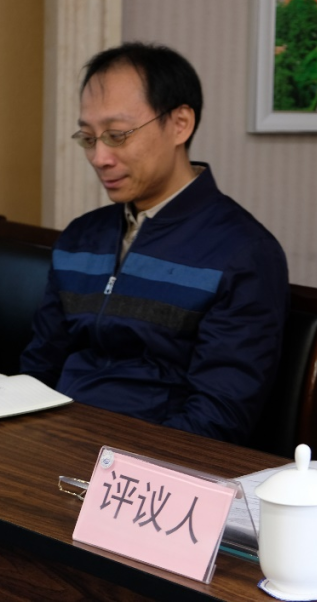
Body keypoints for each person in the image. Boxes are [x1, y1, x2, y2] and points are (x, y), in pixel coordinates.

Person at [20, 43, 288, 443]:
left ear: (180, 124)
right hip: (58, 443)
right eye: (88, 138)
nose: (99, 157)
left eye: (117, 135)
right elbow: (39, 367)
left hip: (150, 461)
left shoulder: (242, 253)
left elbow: (217, 417)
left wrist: (117, 467)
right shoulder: (81, 237)